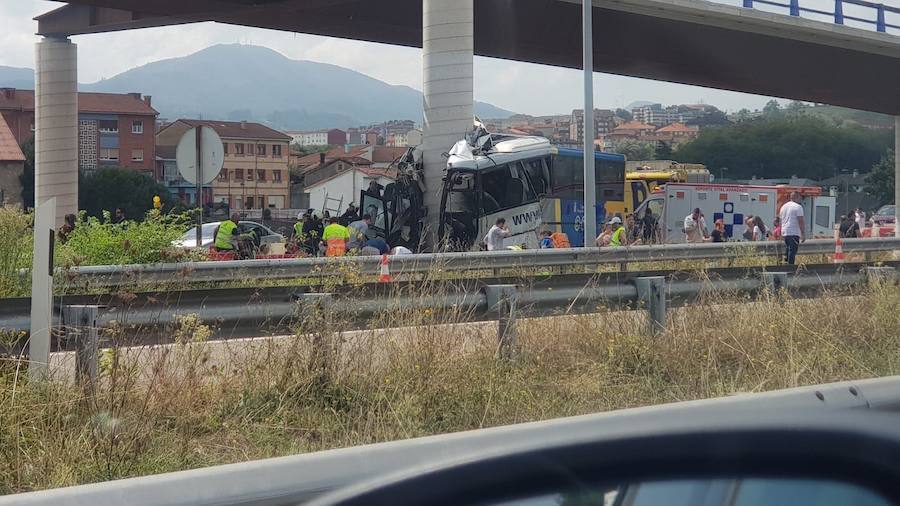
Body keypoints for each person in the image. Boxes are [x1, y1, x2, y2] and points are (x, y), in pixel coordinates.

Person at [780, 191, 806, 265]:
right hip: (793, 232)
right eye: (799, 197)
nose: (800, 199)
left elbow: (780, 221)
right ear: (797, 197)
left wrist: (781, 233)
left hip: (785, 232)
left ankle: (785, 265)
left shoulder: (783, 206)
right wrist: (803, 233)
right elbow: (800, 220)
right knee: (792, 251)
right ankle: (790, 267)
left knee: (787, 250)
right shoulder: (798, 207)